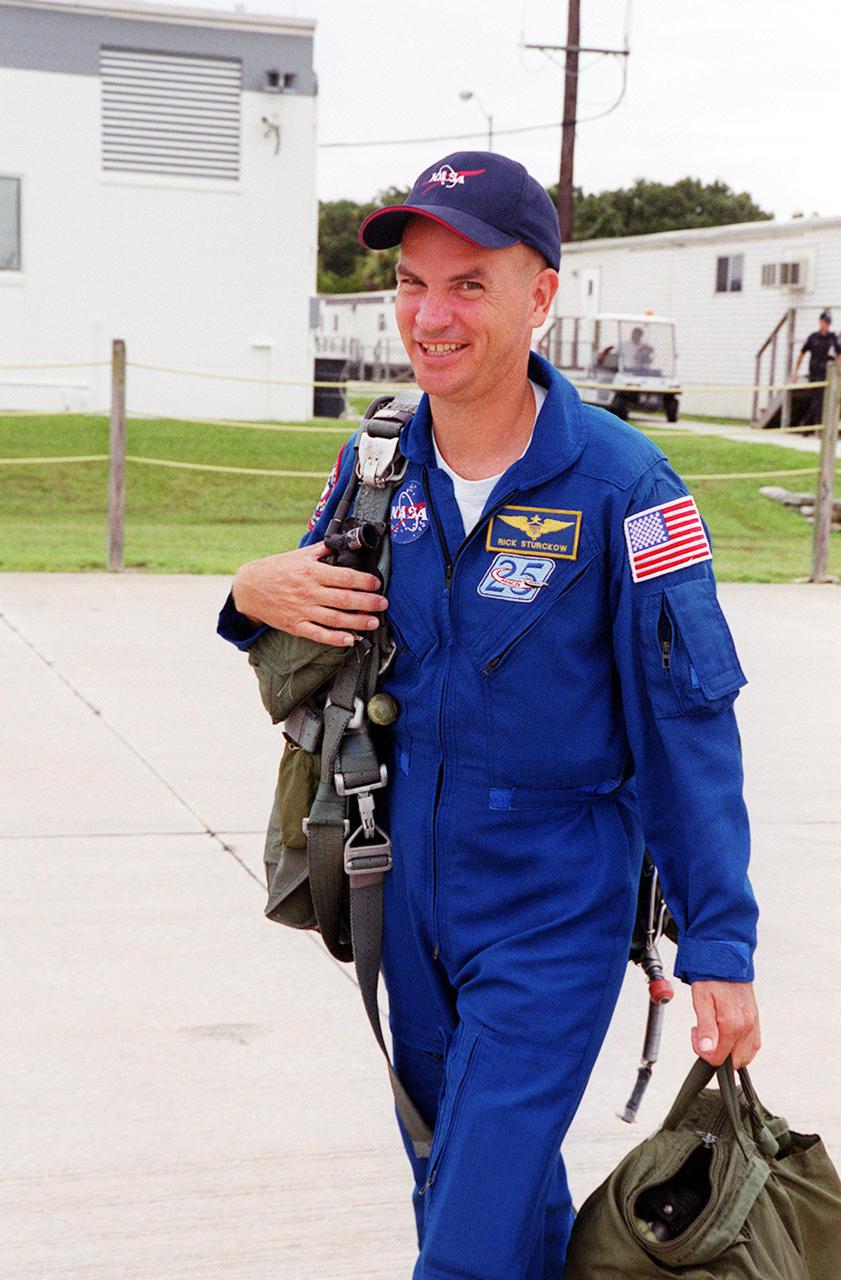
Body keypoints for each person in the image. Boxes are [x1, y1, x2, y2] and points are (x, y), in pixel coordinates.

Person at [219, 151, 760, 1280]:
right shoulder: (375, 462)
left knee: (464, 1235)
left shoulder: (627, 486)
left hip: (551, 906)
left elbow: (688, 724)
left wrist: (720, 940)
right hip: (396, 892)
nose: (431, 313)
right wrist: (241, 594)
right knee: (466, 1186)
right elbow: (308, 627)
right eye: (412, 283)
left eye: (469, 283)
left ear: (540, 296)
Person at [791, 310, 841, 425]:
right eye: (824, 322)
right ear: (820, 322)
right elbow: (802, 353)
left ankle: (809, 424)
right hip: (814, 373)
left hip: (827, 373)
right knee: (818, 400)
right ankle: (813, 425)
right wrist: (795, 372)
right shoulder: (813, 337)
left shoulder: (832, 338)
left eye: (828, 323)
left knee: (822, 400)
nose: (826, 325)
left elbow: (839, 354)